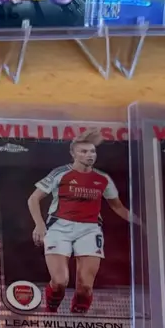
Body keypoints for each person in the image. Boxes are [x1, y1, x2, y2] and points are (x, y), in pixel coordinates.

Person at [28, 130, 131, 314]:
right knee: (60, 282)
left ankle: (79, 316)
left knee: (85, 288)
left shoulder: (103, 179)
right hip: (59, 227)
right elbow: (33, 199)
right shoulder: (60, 173)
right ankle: (51, 310)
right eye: (84, 151)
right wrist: (39, 224)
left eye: (92, 151)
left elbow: (118, 207)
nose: (89, 155)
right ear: (73, 154)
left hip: (90, 230)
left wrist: (141, 223)